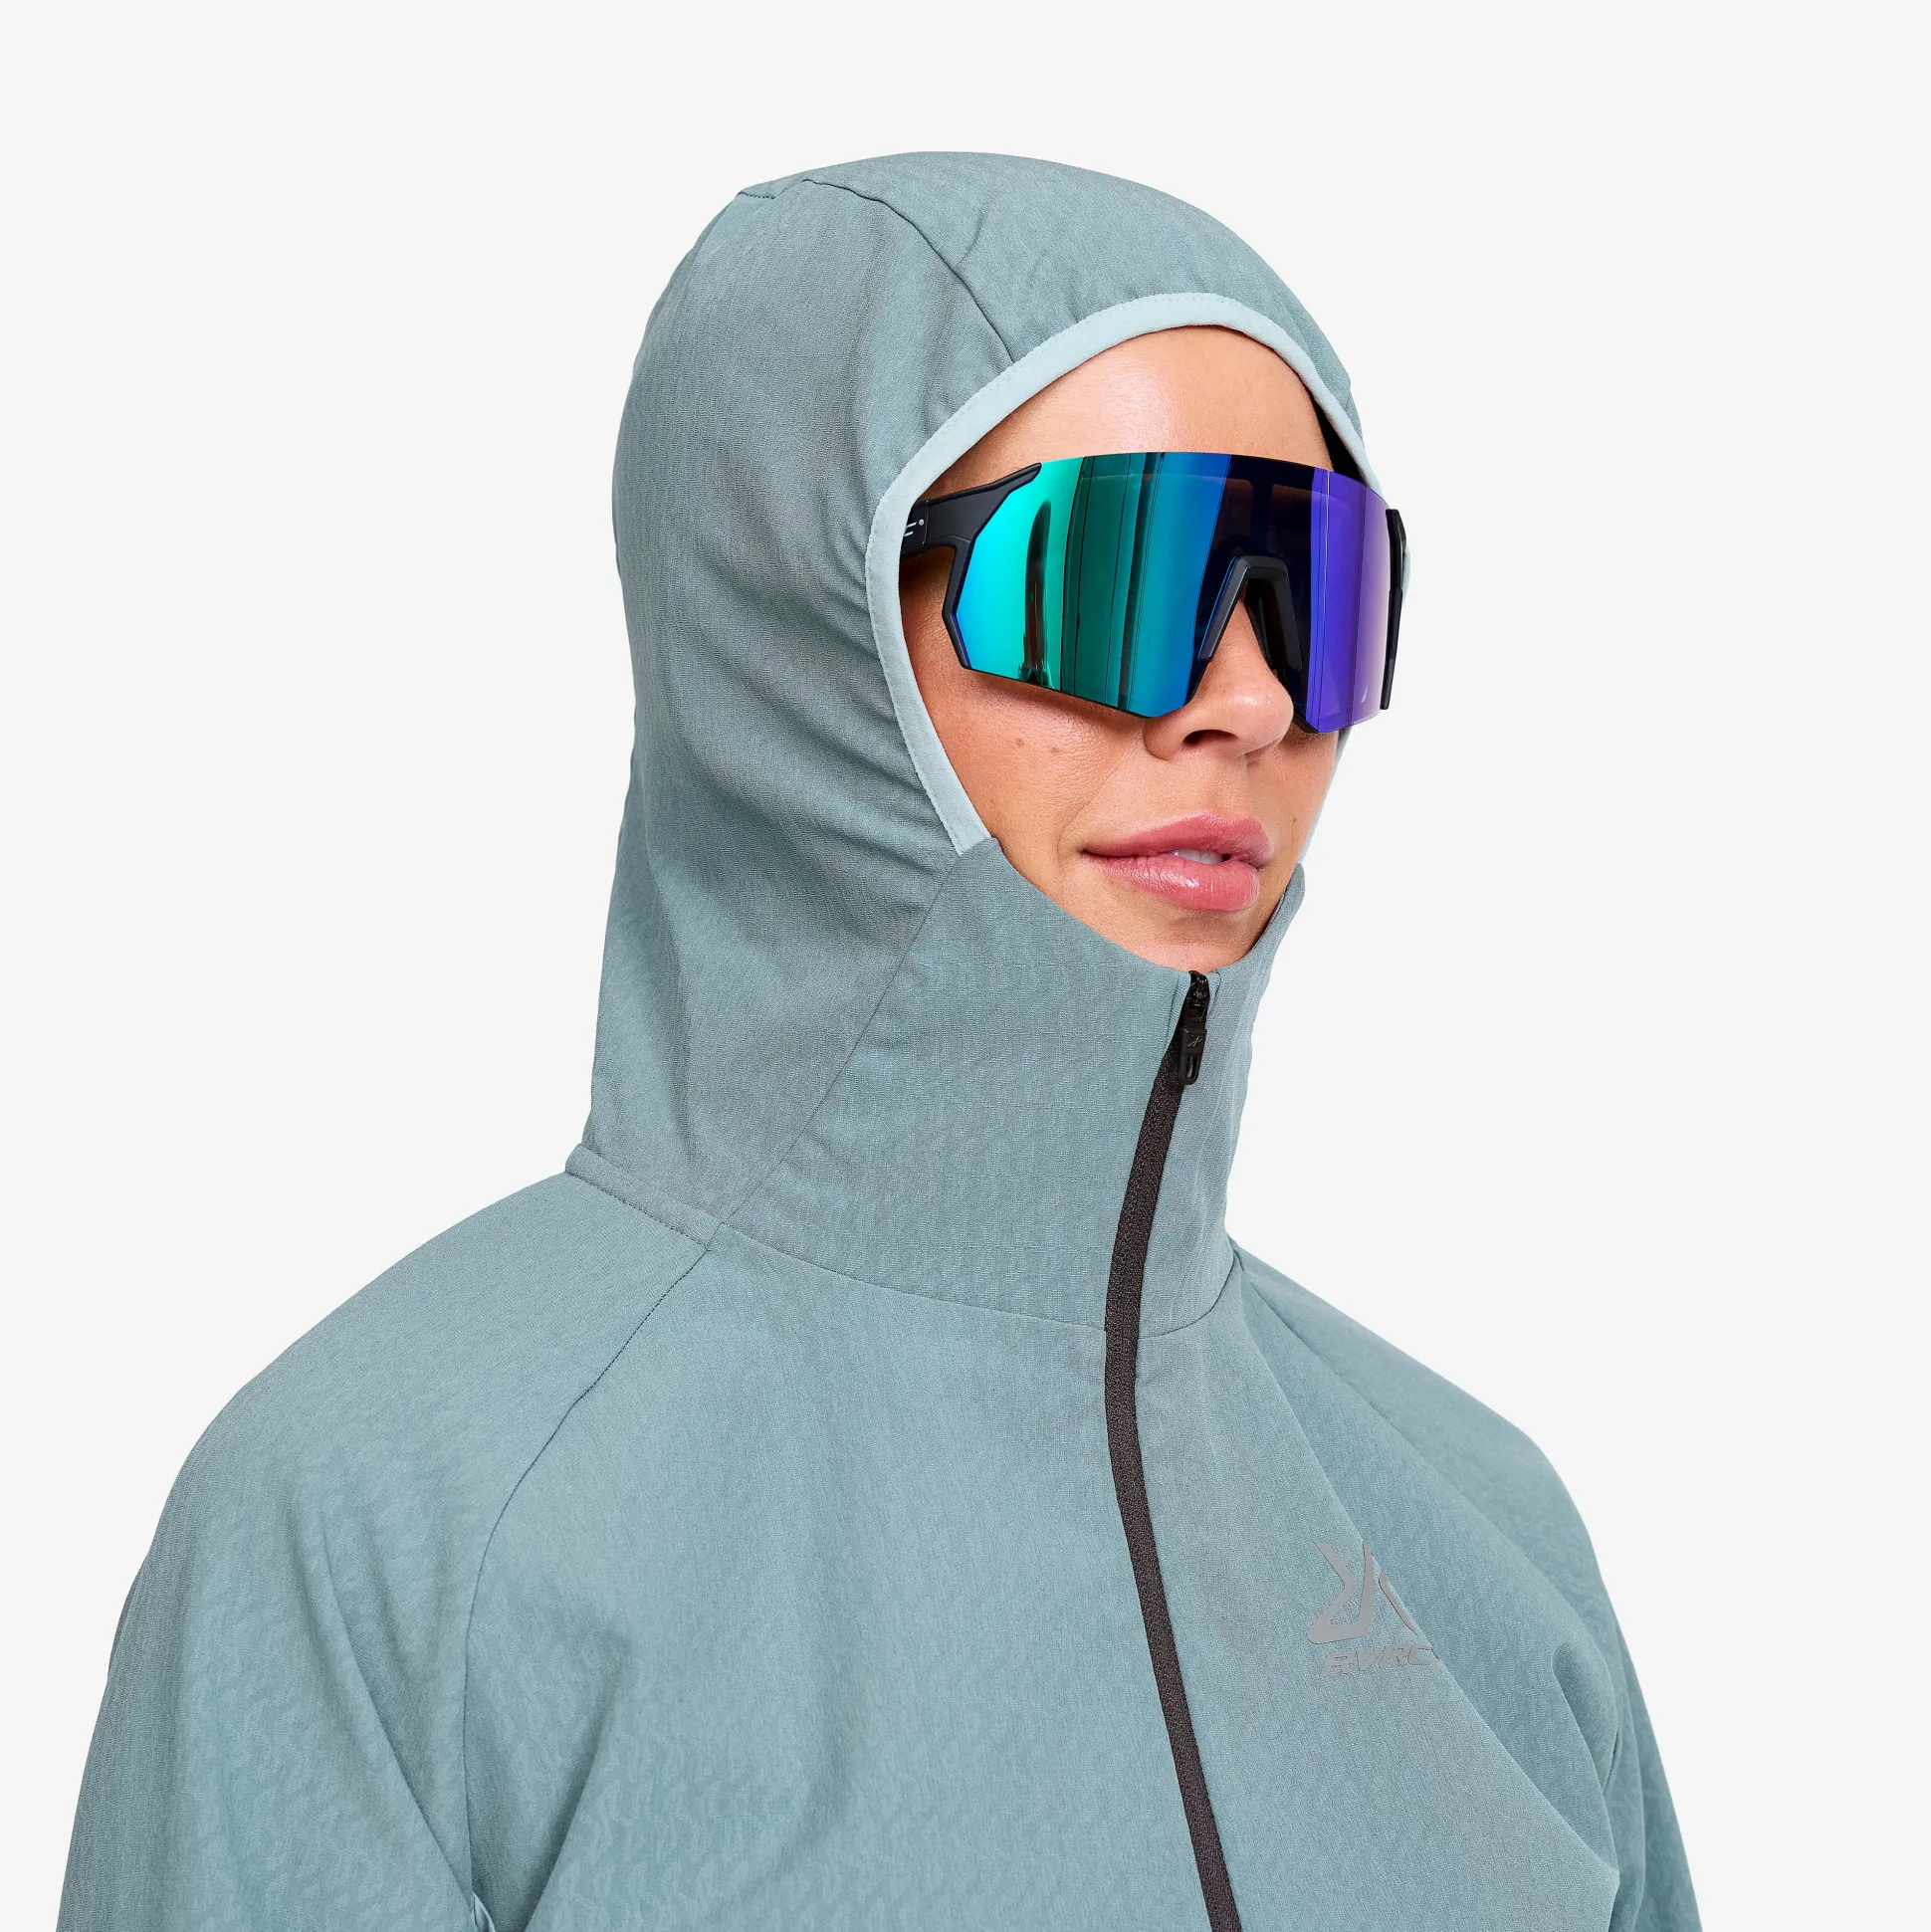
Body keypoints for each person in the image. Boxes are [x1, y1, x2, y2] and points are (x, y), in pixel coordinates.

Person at [60, 153, 1698, 1932]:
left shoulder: (1486, 1538)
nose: (1247, 700)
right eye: (1119, 572)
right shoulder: (387, 1524)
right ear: (798, 628)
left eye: (1324, 586)